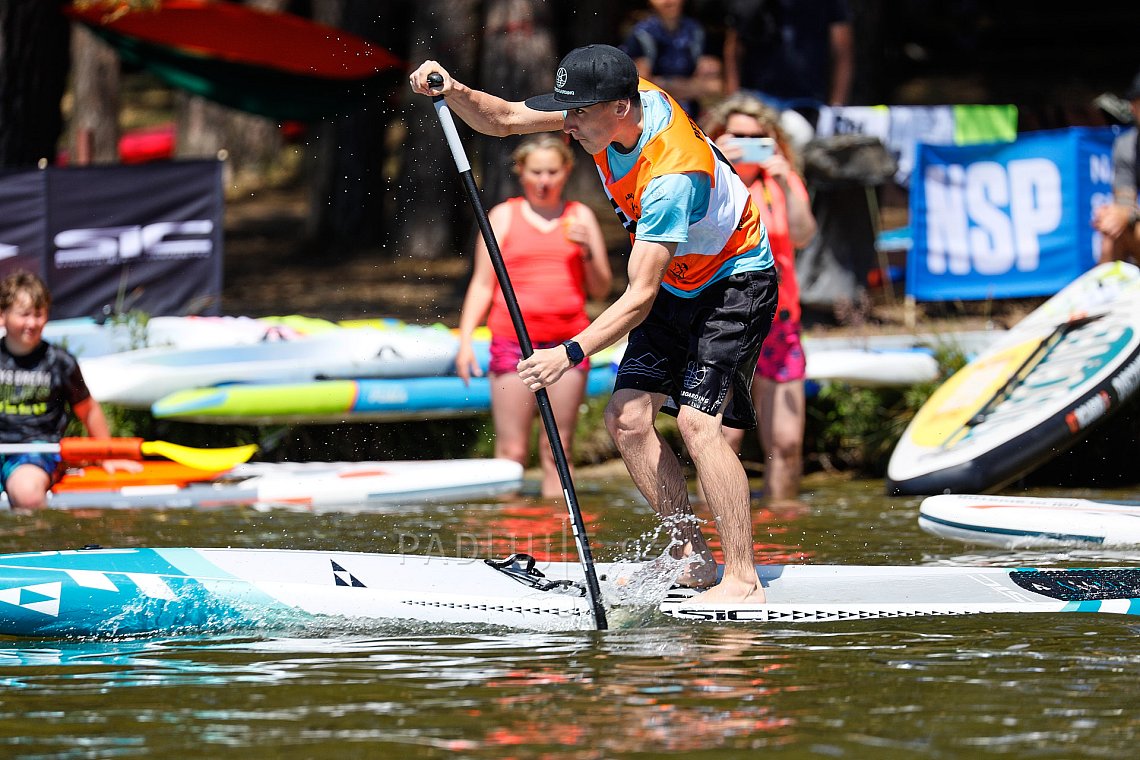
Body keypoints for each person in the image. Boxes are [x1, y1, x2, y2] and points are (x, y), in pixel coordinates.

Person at [410, 44, 779, 604]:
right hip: (679, 280)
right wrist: (453, 89)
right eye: (569, 110)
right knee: (627, 418)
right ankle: (693, 556)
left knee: (700, 425)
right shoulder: (605, 109)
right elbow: (506, 118)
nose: (569, 123)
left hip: (734, 281)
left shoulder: (672, 176)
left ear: (621, 110)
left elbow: (637, 298)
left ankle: (743, 577)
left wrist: (569, 353)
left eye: (579, 113)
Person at [454, 133, 612, 499]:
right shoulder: (504, 216)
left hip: (567, 344)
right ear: (521, 172)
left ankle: (561, 536)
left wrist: (587, 249)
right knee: (511, 451)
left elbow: (602, 289)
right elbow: (482, 284)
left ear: (566, 172)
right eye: (536, 172)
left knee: (558, 449)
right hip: (512, 343)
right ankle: (508, 535)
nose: (544, 181)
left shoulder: (580, 217)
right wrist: (464, 341)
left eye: (552, 172)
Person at [703, 94, 817, 505]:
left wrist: (786, 179)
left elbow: (803, 235)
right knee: (720, 441)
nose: (747, 143)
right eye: (738, 135)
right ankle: (718, 534)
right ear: (719, 136)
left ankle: (784, 532)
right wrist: (718, 162)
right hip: (724, 323)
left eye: (758, 138)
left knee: (786, 444)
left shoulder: (780, 184)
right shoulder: (707, 180)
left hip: (779, 323)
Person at [0, 270, 138, 510]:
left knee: (27, 493)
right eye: (24, 315)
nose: (32, 323)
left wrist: (108, 454)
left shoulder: (60, 362)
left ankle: (35, 542)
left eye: (39, 314)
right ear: (3, 316)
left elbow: (89, 409)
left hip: (36, 451)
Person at [722, 0, 853, 110]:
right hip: (756, 97)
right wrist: (734, 98)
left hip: (807, 99)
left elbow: (842, 52)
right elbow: (733, 49)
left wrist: (836, 107)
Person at [620, 0, 723, 117]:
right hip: (656, 116)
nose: (668, 1)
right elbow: (641, 86)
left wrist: (664, 84)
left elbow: (714, 87)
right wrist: (693, 87)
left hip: (692, 116)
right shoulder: (641, 34)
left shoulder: (696, 31)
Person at [1093, 69, 1140, 266]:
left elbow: (1128, 212)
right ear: (1132, 106)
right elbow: (1124, 201)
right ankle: (1105, 294)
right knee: (1113, 233)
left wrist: (1128, 214)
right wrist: (1113, 216)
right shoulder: (1126, 145)